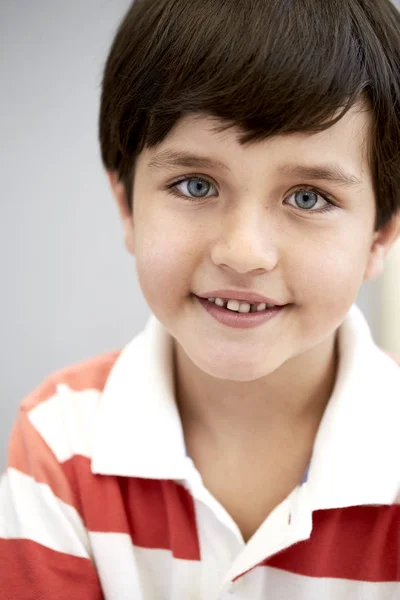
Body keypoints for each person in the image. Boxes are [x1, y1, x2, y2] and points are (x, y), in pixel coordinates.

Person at [1, 0, 400, 598]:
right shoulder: (63, 440)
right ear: (127, 206)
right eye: (196, 185)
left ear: (381, 235)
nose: (243, 253)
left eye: (309, 198)